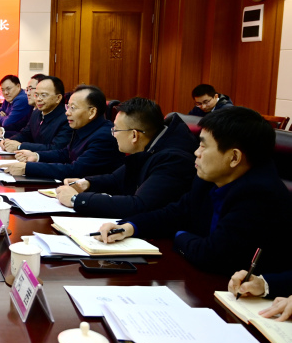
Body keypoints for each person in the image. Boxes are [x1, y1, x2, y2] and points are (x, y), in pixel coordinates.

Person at [96, 107, 292, 276]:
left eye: (203, 146)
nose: (196, 152)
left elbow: (211, 255)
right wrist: (130, 226)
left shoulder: (260, 195)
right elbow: (176, 212)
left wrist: (178, 235)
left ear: (234, 157)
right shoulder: (209, 178)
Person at [54, 97, 197, 218]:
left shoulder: (173, 159)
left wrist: (76, 199)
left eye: (116, 129)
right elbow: (116, 179)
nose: (113, 134)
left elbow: (139, 205)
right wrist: (87, 183)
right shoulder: (152, 145)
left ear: (134, 135)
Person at [2, 85, 124, 180]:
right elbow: (65, 153)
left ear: (92, 112)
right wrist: (36, 156)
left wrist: (27, 168)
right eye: (68, 107)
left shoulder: (104, 136)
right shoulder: (83, 127)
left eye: (73, 108)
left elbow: (75, 170)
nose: (67, 113)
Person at [0, 75, 72, 153]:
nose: (38, 99)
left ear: (58, 98)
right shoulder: (36, 113)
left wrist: (20, 146)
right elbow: (25, 134)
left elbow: (55, 148)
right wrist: (8, 141)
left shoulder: (67, 118)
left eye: (43, 95)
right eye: (36, 95)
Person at [0, 74, 44, 138]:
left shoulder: (23, 99)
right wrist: (5, 121)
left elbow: (6, 123)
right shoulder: (9, 97)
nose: (5, 93)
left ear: (18, 86)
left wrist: (5, 120)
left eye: (8, 89)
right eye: (3, 90)